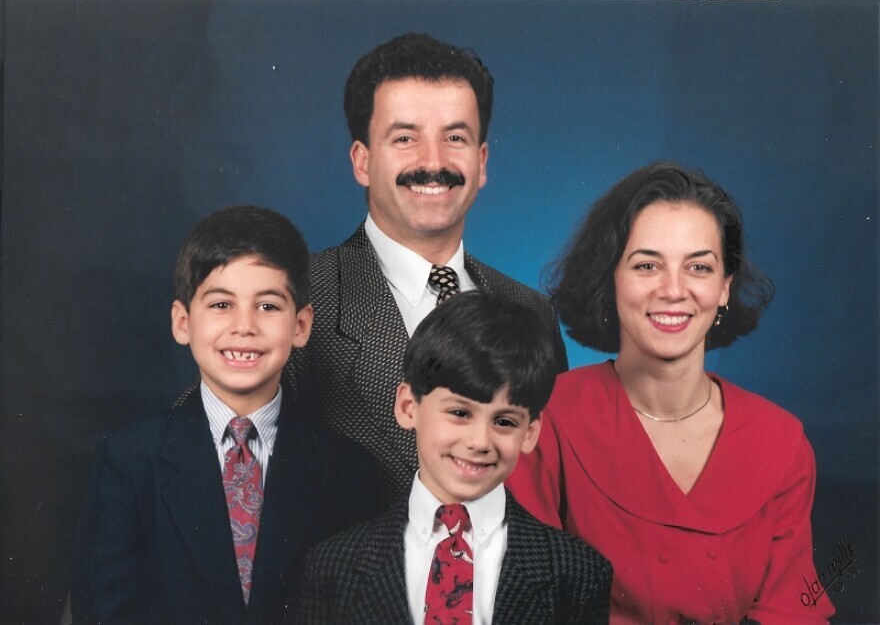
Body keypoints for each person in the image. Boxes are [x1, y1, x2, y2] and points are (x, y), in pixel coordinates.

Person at [507, 161, 835, 623]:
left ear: (724, 288)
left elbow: (795, 607)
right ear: (611, 278)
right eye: (647, 265)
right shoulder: (547, 419)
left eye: (698, 267)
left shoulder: (781, 440)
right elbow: (523, 603)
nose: (674, 290)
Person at [284, 33, 567, 499]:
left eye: (454, 137)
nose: (433, 162)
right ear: (362, 161)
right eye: (405, 138)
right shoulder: (296, 295)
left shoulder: (533, 312)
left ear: (481, 162)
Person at [71, 206, 384, 623]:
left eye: (268, 307)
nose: (244, 326)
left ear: (301, 325)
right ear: (183, 322)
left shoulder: (349, 471)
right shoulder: (128, 462)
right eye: (221, 304)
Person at [295, 292, 612, 624]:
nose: (479, 442)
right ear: (408, 407)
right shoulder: (332, 567)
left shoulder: (577, 572)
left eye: (504, 422)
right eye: (460, 413)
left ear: (530, 432)